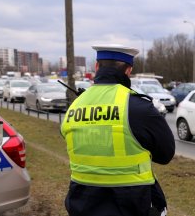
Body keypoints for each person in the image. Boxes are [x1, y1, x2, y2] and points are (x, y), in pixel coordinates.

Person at [61, 44, 175, 216]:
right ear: (128, 71)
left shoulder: (75, 106)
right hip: (131, 204)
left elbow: (67, 137)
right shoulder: (139, 108)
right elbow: (166, 154)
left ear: (97, 67)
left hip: (81, 204)